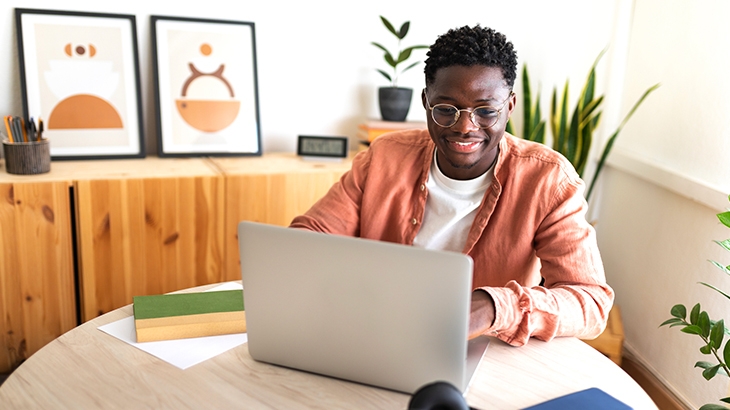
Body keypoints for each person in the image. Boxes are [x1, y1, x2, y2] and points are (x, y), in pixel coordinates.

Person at [290, 25, 613, 347]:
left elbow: (590, 302)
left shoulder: (547, 180)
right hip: (374, 330)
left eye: (486, 111)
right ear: (426, 102)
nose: (465, 127)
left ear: (509, 106)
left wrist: (492, 307)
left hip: (479, 348)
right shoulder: (385, 157)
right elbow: (312, 235)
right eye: (446, 109)